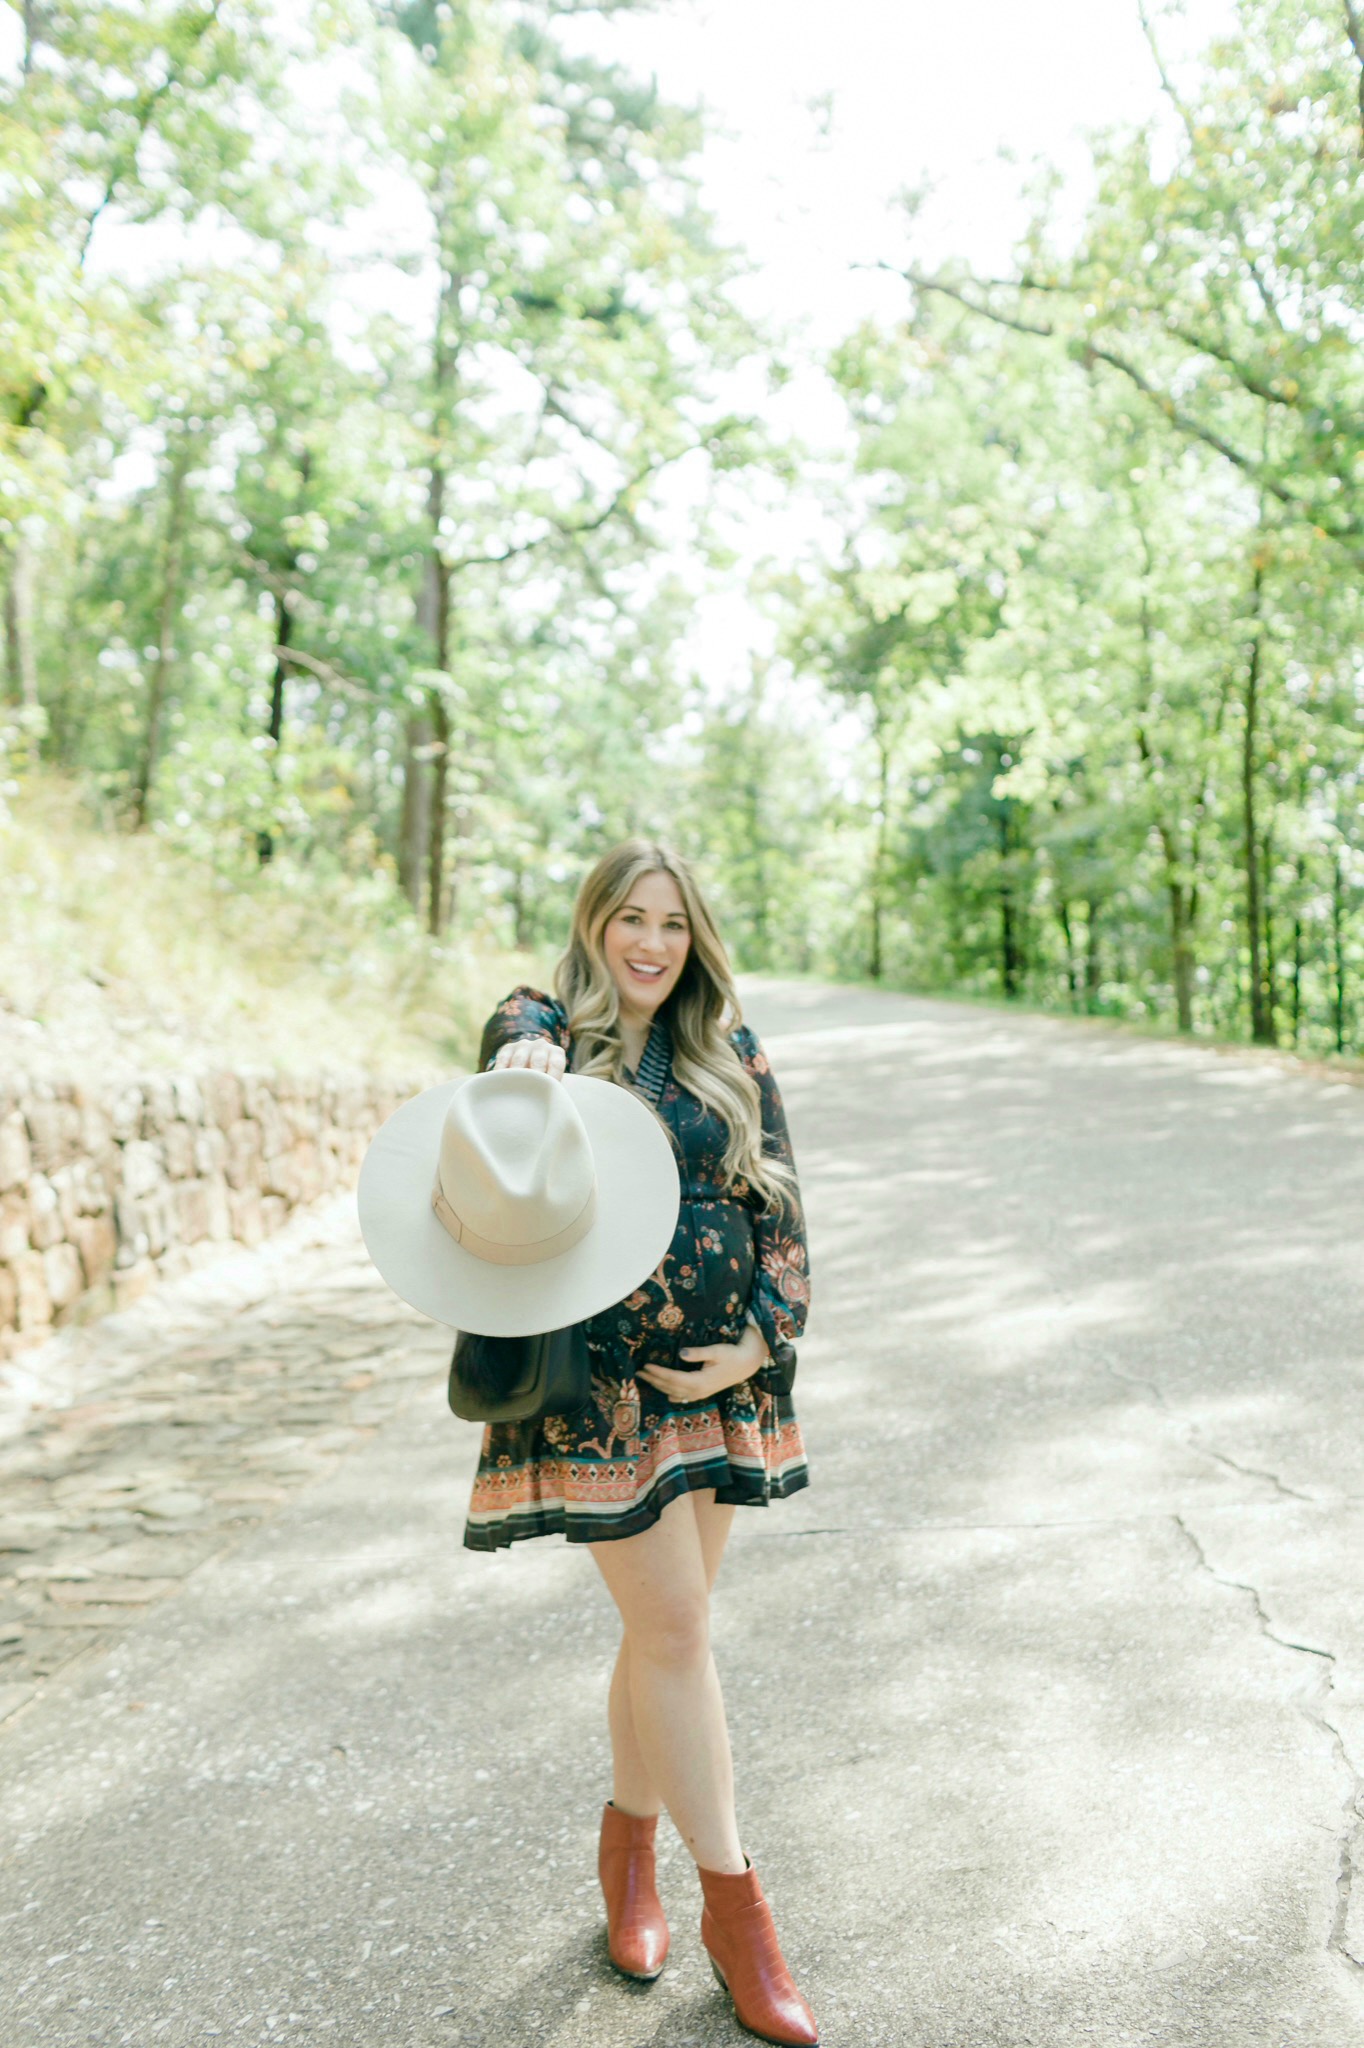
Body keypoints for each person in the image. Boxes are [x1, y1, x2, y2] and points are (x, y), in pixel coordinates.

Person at [471, 838, 817, 2048]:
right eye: (630, 918)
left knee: (660, 1633)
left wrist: (760, 1341)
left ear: (695, 935)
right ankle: (739, 1913)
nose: (652, 944)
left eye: (673, 922)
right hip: (602, 1391)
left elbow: (780, 1204)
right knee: (674, 1629)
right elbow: (511, 1047)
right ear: (594, 923)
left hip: (718, 1387)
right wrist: (523, 1025)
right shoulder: (550, 1040)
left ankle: (628, 1850)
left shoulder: (731, 1047)